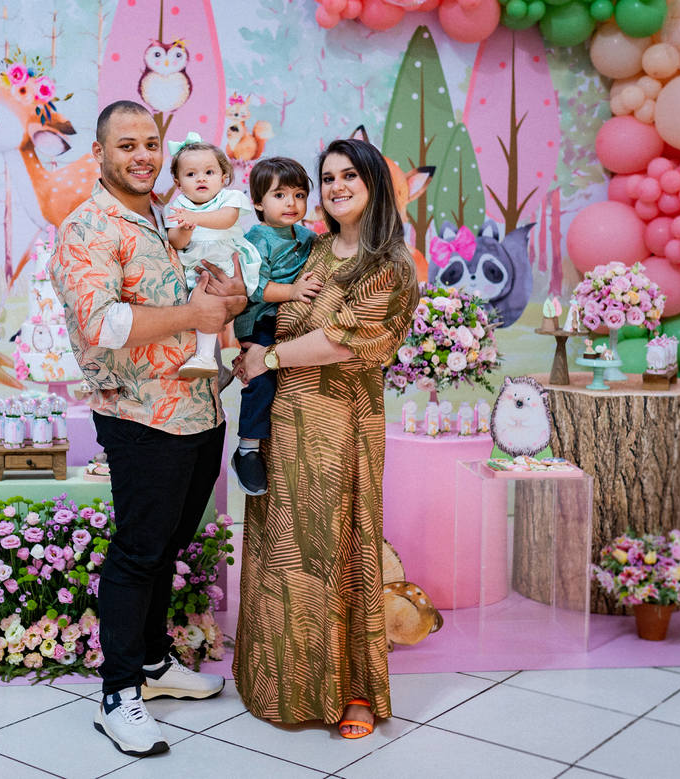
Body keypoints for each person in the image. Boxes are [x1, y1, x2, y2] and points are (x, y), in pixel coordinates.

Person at [50, 100, 247, 758]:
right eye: (126, 144)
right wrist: (193, 312)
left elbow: (196, 299)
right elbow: (102, 323)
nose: (142, 156)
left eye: (150, 144)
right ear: (99, 154)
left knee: (166, 545)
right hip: (141, 417)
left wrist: (228, 300)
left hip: (201, 410)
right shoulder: (88, 226)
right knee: (138, 552)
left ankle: (154, 664)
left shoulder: (166, 215)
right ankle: (118, 693)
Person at [230, 137, 420, 739]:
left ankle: (353, 690)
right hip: (282, 424)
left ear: (374, 185)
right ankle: (275, 682)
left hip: (340, 429)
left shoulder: (389, 264)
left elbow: (343, 340)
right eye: (328, 177)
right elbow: (265, 305)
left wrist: (268, 358)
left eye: (350, 176)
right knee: (282, 551)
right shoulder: (308, 248)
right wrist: (248, 349)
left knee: (338, 551)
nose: (336, 187)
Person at [229, 156, 322, 495]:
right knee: (262, 380)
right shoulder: (258, 238)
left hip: (289, 320)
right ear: (258, 202)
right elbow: (255, 287)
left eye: (299, 195)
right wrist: (293, 291)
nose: (291, 203)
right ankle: (247, 450)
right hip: (260, 319)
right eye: (280, 195)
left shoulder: (306, 236)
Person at [165, 132, 262, 378]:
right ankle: (213, 363)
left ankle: (206, 357)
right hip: (195, 265)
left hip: (224, 260)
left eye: (209, 172)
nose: (201, 178)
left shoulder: (229, 198)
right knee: (191, 304)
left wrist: (195, 218)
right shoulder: (176, 207)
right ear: (178, 183)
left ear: (223, 177)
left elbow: (226, 219)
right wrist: (185, 229)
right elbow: (176, 241)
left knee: (208, 300)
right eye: (191, 174)